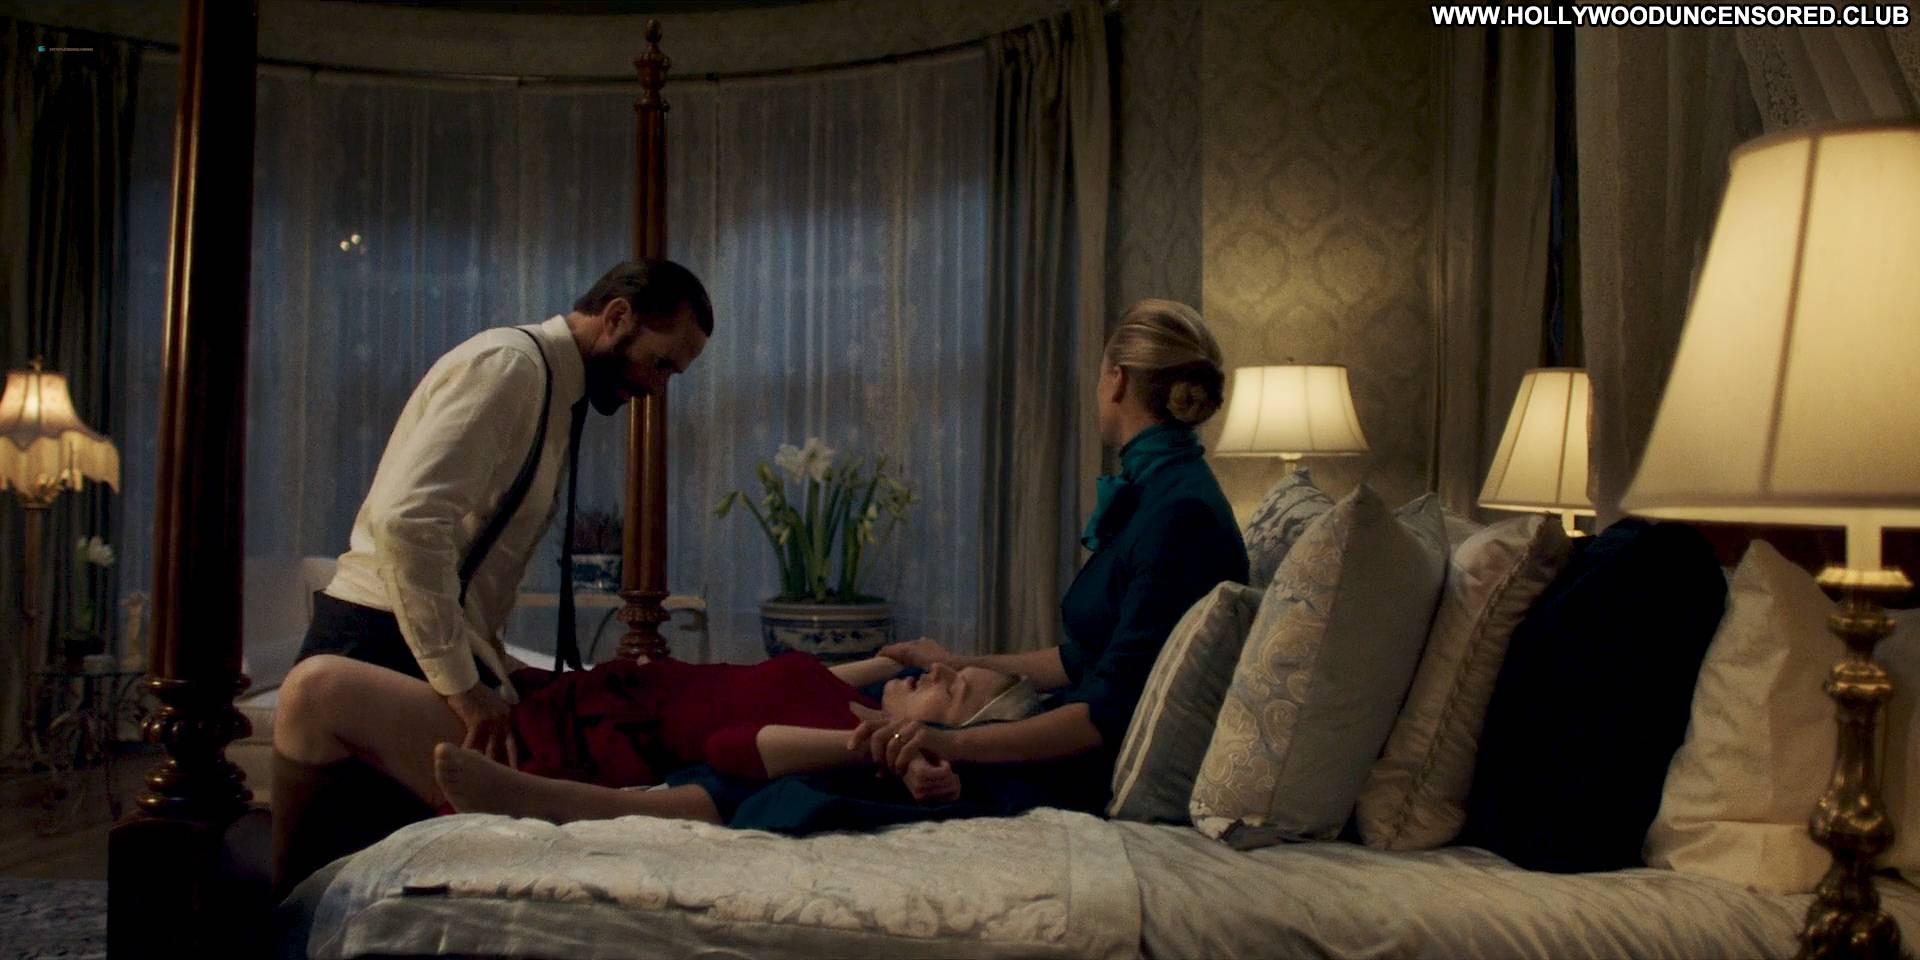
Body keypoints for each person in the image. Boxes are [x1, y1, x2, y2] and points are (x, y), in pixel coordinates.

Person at [424, 298, 1249, 834]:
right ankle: (591, 797)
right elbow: (1076, 658)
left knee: (838, 771)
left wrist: (946, 740)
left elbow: (1101, 713)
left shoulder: (1177, 514)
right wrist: (956, 659)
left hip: (1066, 766)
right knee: (817, 733)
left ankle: (576, 807)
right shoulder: (1160, 495)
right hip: (1053, 730)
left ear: (1116, 379)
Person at [272, 259, 712, 889]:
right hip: (379, 639)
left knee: (375, 884)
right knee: (327, 885)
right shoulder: (510, 367)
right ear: (617, 317)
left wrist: (488, 661)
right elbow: (408, 522)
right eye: (661, 363)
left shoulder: (551, 387)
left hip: (413, 636)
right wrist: (462, 684)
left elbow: (469, 550)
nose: (658, 386)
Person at [273, 650, 1041, 882]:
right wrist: (889, 659)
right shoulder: (857, 696)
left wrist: (880, 743)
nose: (940, 672)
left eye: (952, 688)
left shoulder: (856, 741)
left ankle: (280, 916)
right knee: (335, 683)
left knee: (317, 689)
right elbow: (786, 681)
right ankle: (299, 903)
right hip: (588, 694)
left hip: (587, 743)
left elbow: (730, 749)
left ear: (948, 730)